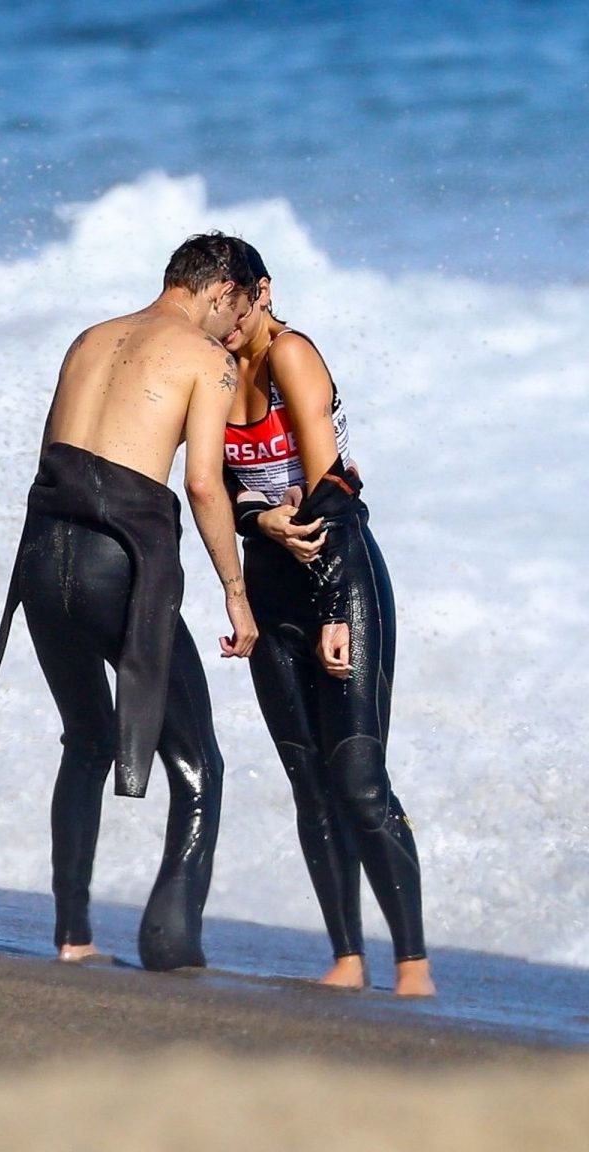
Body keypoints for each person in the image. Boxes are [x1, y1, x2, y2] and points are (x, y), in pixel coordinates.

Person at [0, 232, 258, 972]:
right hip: (116, 568)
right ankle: (171, 942)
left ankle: (73, 936)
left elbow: (53, 460)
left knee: (86, 741)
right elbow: (203, 483)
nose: (238, 329)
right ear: (222, 291)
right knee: (199, 764)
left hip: (42, 558)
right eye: (241, 308)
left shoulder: (89, 338)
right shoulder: (207, 359)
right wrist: (235, 591)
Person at [221, 241, 435, 996]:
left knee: (358, 778)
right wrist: (259, 523)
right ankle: (347, 959)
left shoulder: (293, 355)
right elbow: (216, 486)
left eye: (232, 304)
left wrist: (336, 607)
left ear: (261, 292)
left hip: (341, 577)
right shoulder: (213, 371)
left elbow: (332, 487)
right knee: (308, 780)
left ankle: (413, 965)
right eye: (212, 306)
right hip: (269, 588)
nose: (223, 321)